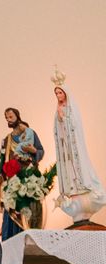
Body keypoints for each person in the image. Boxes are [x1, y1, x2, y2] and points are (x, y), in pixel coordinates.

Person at [52, 80, 104, 227]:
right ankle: (73, 188)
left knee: (77, 165)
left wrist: (65, 120)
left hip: (74, 146)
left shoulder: (71, 108)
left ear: (66, 93)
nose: (58, 95)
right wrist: (60, 120)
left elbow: (75, 124)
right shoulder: (58, 109)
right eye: (56, 93)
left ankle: (82, 186)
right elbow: (57, 129)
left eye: (60, 92)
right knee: (68, 167)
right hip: (65, 147)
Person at [0, 106, 46, 237]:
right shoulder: (7, 140)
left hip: (28, 180)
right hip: (12, 182)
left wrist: (33, 151)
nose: (9, 119)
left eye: (11, 116)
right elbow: (3, 160)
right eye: (6, 118)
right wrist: (0, 174)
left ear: (17, 116)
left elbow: (40, 151)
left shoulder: (30, 133)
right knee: (10, 213)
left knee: (29, 213)